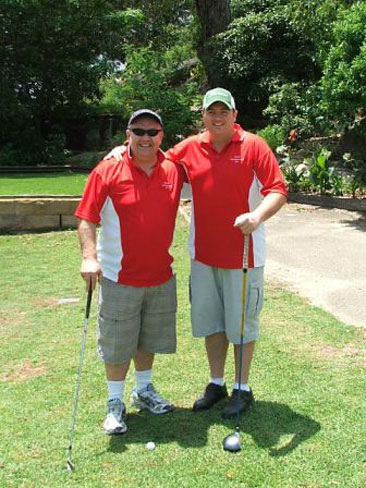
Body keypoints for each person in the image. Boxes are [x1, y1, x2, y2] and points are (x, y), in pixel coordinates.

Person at [106, 88, 288, 419]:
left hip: (244, 257)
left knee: (242, 326)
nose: (217, 117)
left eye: (223, 112)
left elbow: (277, 189)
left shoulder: (254, 146)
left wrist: (257, 216)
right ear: (203, 116)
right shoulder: (190, 148)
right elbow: (153, 155)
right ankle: (216, 384)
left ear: (234, 115)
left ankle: (242, 388)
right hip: (203, 256)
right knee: (211, 324)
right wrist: (124, 149)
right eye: (211, 112)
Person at [75, 109, 185, 435]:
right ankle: (114, 402)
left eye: (152, 132)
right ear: (128, 135)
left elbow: (209, 162)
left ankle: (144, 390)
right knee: (118, 342)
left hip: (160, 276)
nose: (145, 137)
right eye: (139, 131)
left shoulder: (174, 170)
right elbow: (86, 218)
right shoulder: (107, 170)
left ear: (162, 136)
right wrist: (88, 257)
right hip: (119, 277)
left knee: (147, 337)